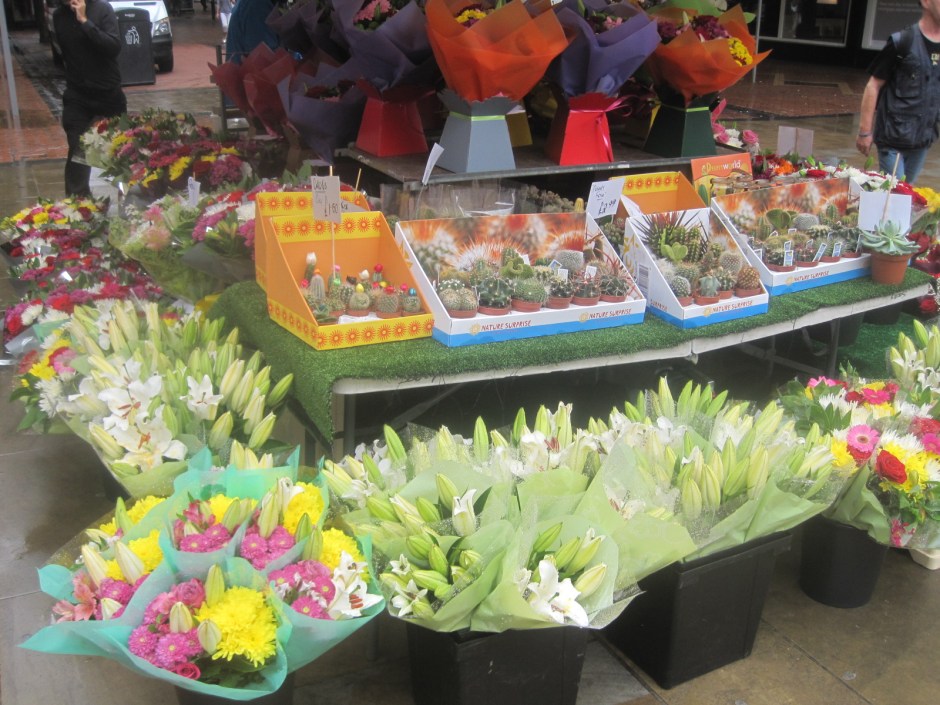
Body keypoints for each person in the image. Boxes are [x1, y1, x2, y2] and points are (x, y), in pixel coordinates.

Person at [856, 0, 940, 184]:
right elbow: (873, 86)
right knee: (895, 192)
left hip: (922, 140)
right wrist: (865, 131)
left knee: (907, 192)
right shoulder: (902, 41)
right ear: (926, 2)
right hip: (893, 139)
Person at [53, 0, 127, 197]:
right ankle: (78, 203)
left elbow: (113, 47)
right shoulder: (59, 16)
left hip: (108, 94)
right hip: (77, 95)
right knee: (77, 149)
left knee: (120, 151)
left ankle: (129, 200)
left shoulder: (102, 9)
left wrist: (85, 22)